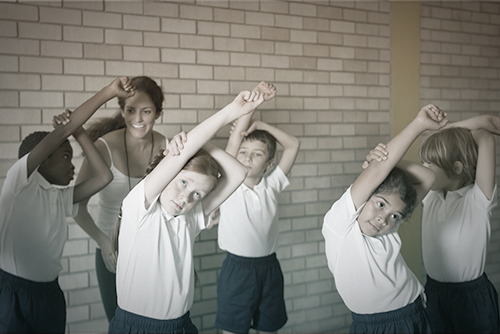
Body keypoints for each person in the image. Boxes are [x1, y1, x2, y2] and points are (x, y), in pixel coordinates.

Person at [108, 89, 266, 334]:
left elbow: (237, 173)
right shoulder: (139, 207)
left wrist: (201, 145)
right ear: (167, 172)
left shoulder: (190, 217)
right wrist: (231, 113)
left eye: (197, 195)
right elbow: (188, 151)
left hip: (181, 326)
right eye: (183, 183)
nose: (185, 197)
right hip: (137, 328)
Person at [0, 77, 135, 333]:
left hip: (49, 293)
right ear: (41, 159)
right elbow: (62, 131)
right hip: (14, 292)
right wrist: (108, 91)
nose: (73, 166)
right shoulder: (20, 184)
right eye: (65, 157)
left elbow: (104, 177)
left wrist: (80, 134)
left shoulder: (58, 197)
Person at [322, 104, 448, 333]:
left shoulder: (389, 226)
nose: (384, 219)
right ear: (365, 195)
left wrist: (391, 162)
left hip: (415, 312)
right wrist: (419, 125)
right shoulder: (339, 225)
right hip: (377, 325)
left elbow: (428, 177)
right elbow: (379, 173)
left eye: (394, 215)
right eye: (380, 204)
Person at [72, 76, 167, 321]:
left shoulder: (167, 146)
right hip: (112, 252)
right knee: (120, 323)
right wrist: (103, 242)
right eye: (130, 110)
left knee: (153, 323)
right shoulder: (103, 147)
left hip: (152, 252)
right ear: (122, 111)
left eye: (146, 111)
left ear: (157, 112)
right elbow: (76, 206)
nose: (138, 119)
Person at [213, 82, 301, 334]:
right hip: (237, 269)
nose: (248, 158)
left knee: (268, 328)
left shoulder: (272, 184)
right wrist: (255, 104)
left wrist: (261, 125)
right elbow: (235, 138)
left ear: (269, 163)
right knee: (232, 329)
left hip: (269, 268)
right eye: (243, 152)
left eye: (257, 154)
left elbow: (293, 144)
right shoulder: (229, 184)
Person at [418, 114, 500, 333]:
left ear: (456, 168)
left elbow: (485, 138)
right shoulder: (431, 196)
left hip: (471, 296)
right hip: (434, 293)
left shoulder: (478, 198)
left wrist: (450, 128)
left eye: (430, 164)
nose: (424, 168)